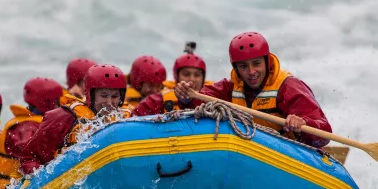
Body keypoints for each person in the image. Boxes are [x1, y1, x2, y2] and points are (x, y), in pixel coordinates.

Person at [174, 32, 332, 148]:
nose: (251, 72)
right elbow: (200, 101)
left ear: (267, 61)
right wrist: (186, 97)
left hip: (286, 154)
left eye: (256, 63)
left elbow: (324, 132)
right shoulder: (231, 87)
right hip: (250, 152)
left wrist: (304, 123)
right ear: (236, 68)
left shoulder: (289, 87)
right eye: (243, 66)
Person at [19, 64, 130, 174]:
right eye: (104, 96)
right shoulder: (64, 117)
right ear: (90, 95)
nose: (109, 103)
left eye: (115, 96)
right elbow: (29, 158)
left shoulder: (127, 117)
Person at [0, 78, 64, 189]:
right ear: (48, 102)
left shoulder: (34, 122)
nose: (60, 105)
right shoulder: (26, 127)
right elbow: (27, 154)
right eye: (58, 101)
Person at [134, 43, 210, 116]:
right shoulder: (155, 102)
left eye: (197, 75)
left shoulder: (213, 99)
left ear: (203, 78)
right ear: (176, 77)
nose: (192, 79)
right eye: (186, 74)